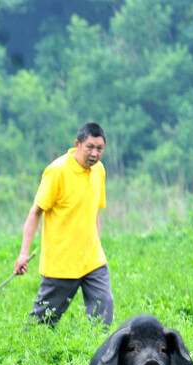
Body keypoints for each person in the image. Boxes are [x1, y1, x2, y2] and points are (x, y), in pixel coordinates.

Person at [13, 122, 113, 327]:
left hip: (92, 261)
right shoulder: (57, 171)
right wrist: (23, 254)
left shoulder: (99, 171)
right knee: (43, 323)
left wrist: (97, 245)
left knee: (104, 310)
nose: (95, 153)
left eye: (99, 148)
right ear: (77, 144)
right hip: (61, 263)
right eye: (90, 147)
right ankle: (26, 353)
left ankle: (103, 355)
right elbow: (35, 212)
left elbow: (95, 211)